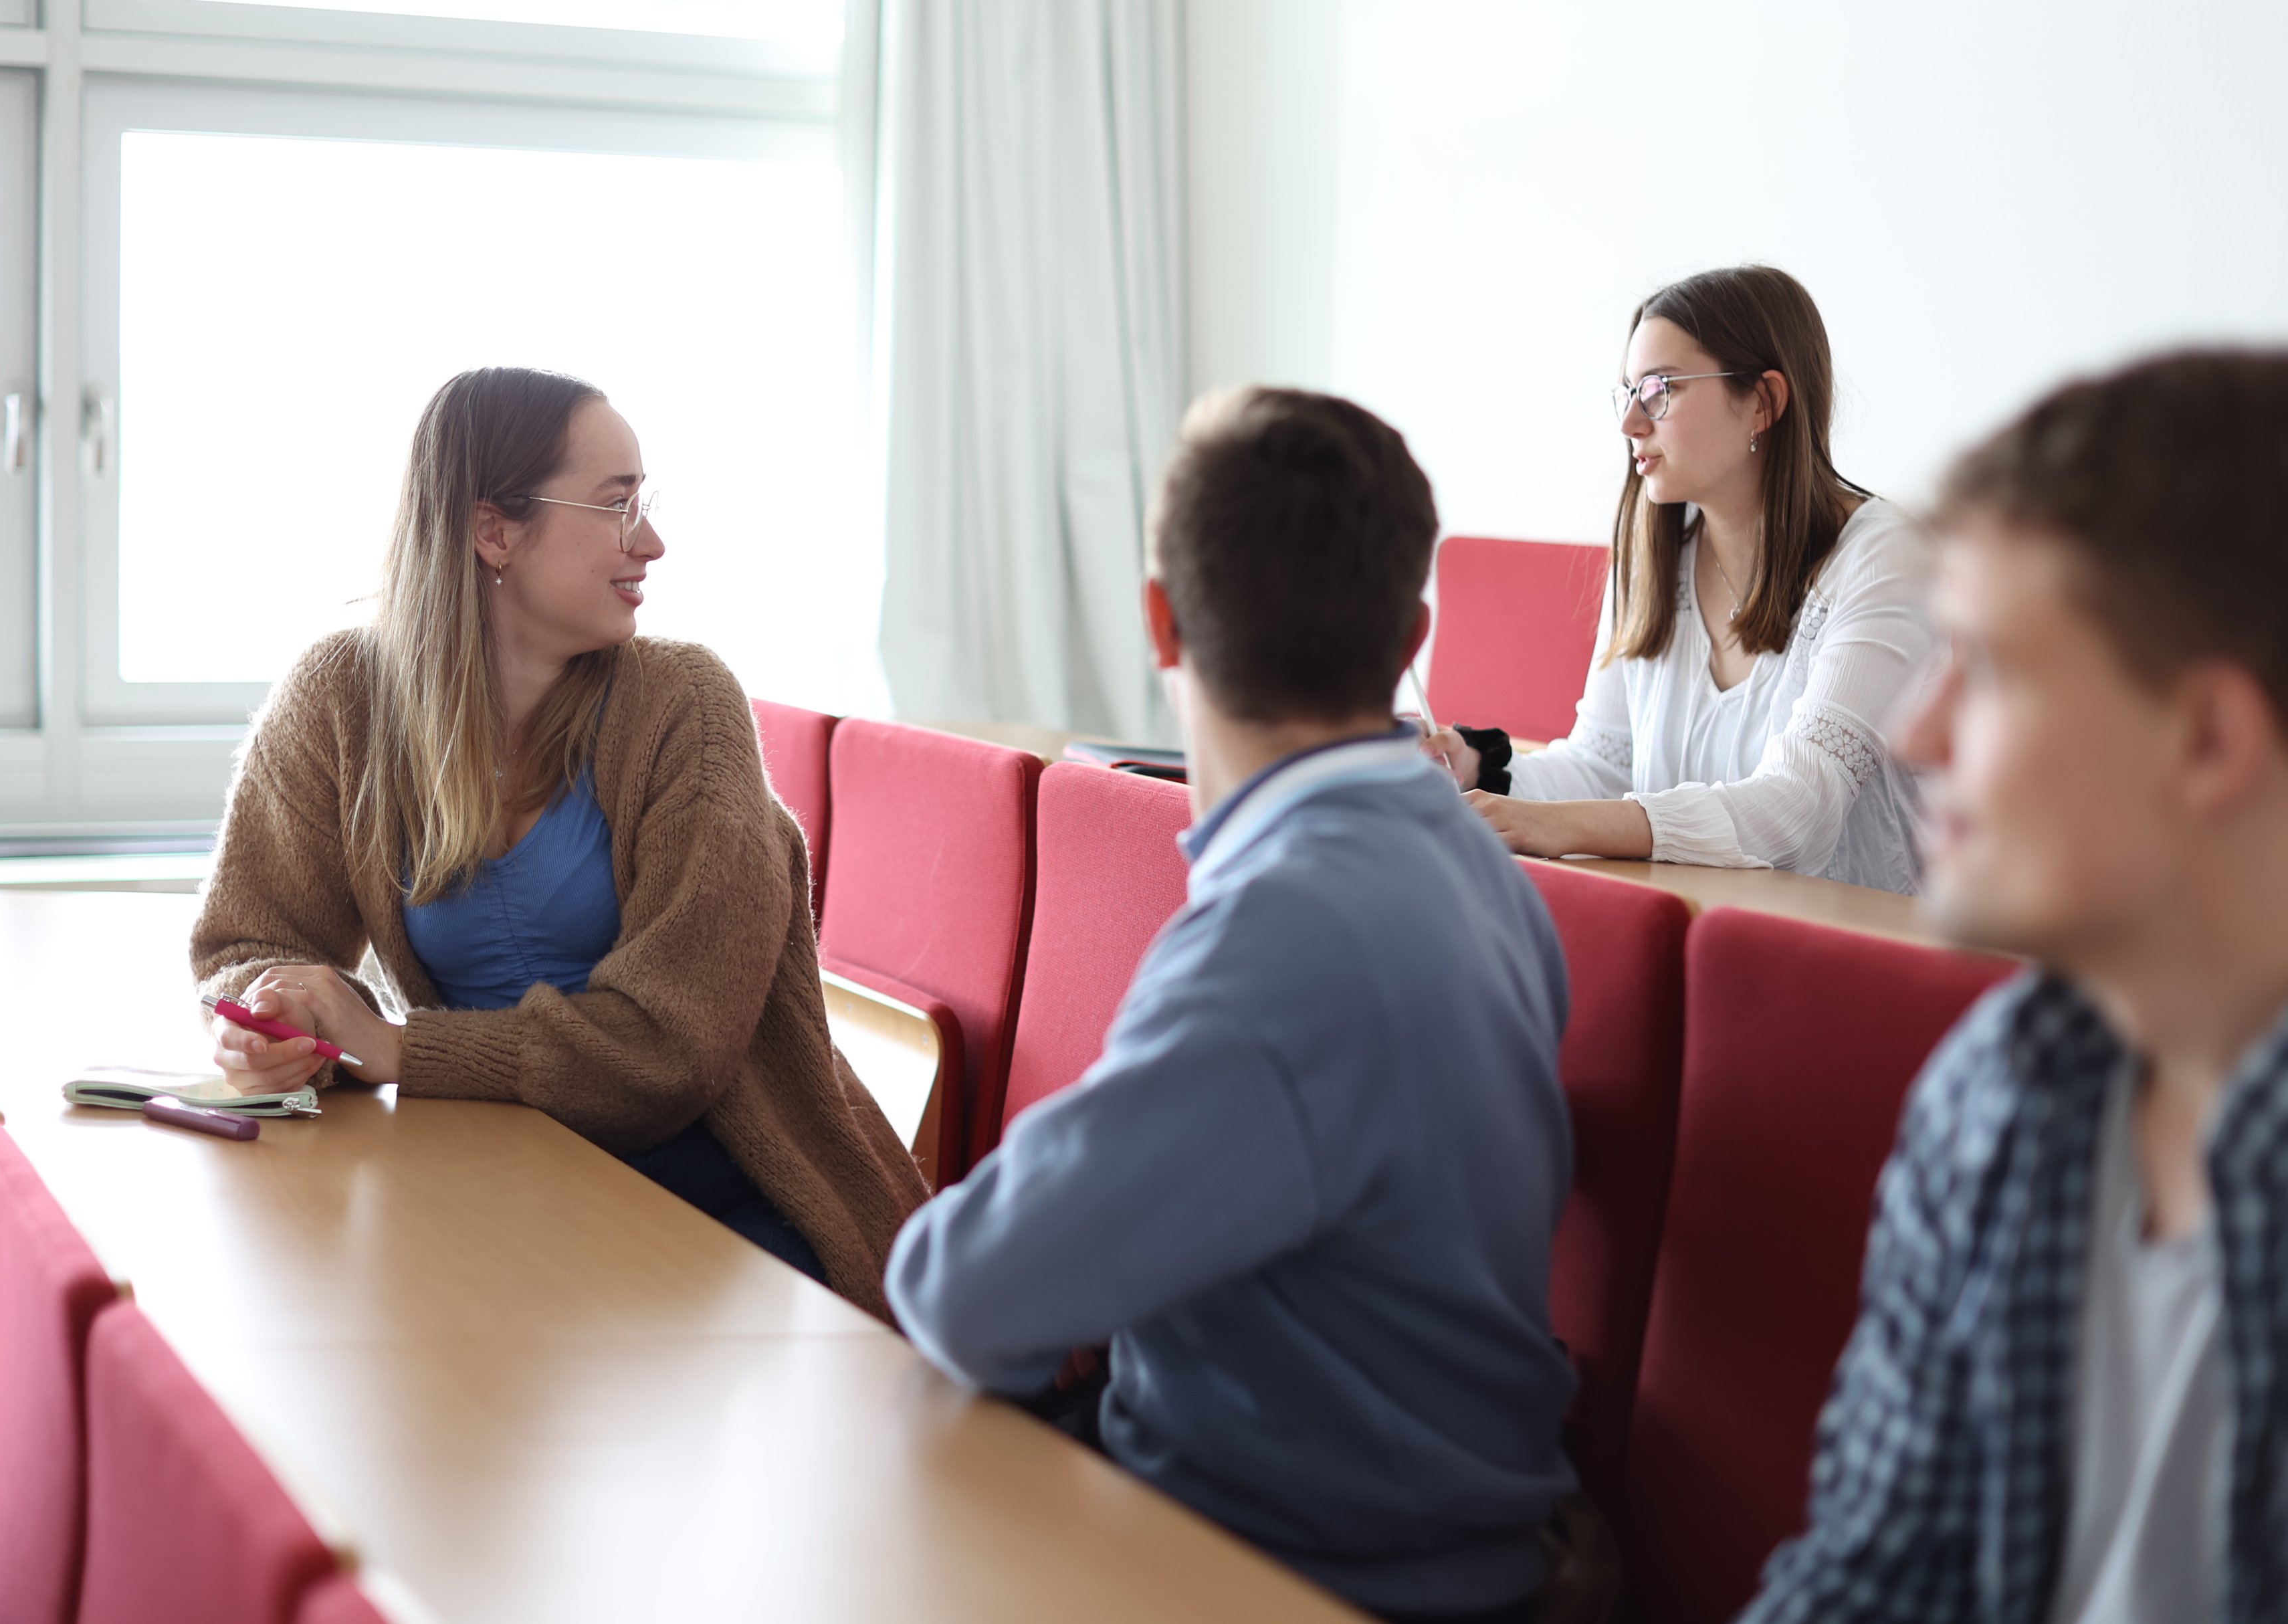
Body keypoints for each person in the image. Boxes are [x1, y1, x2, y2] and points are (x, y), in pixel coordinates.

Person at [886, 387, 1577, 1624]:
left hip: (1276, 1565)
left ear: (1160, 621)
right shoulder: (1485, 876)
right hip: (1432, 1532)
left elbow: (962, 1290)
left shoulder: (1285, 934)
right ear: (1410, 625)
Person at [189, 366, 925, 1317]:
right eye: (618, 506)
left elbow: (671, 1052)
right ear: (495, 531)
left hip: (730, 1191)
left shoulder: (686, 708)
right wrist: (272, 1019)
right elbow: (244, 943)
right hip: (495, 1166)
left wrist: (397, 1048)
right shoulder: (341, 697)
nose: (652, 543)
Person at [1741, 350, 2288, 1621]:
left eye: (1980, 669)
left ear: (2204, 737)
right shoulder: (1994, 1090)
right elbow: (1866, 1576)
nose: (1911, 737)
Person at [1427, 266, 1933, 894]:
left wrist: (1554, 826)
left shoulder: (1885, 558)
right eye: (1628, 393)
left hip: (1862, 954)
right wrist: (1472, 764)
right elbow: (1604, 770)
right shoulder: (1652, 559)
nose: (1630, 422)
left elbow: (1800, 807)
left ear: (1764, 403)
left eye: (1660, 389)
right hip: (1703, 935)